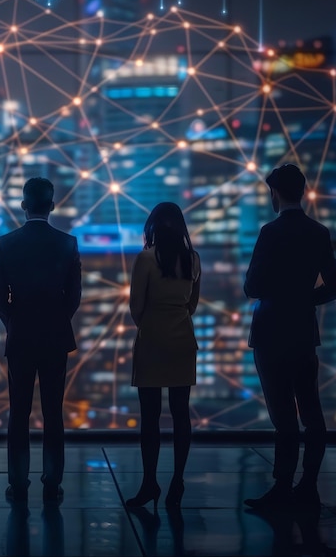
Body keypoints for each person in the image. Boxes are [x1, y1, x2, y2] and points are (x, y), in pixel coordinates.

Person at [243, 163, 336, 511]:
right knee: (311, 412)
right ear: (302, 192)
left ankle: (282, 488)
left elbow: (252, 286)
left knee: (283, 416)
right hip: (303, 332)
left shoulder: (270, 233)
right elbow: (335, 288)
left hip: (271, 332)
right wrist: (303, 299)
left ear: (275, 193)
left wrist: (280, 295)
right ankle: (309, 486)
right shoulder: (319, 232)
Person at [0, 177, 81, 503]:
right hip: (56, 336)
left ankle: (17, 483)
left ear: (23, 205)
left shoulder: (6, 244)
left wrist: (13, 322)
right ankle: (52, 483)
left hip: (21, 336)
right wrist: (57, 320)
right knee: (53, 412)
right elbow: (74, 298)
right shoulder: (68, 244)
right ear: (52, 205)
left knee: (18, 412)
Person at [126, 202, 201, 509]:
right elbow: (192, 306)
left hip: (152, 339)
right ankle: (178, 480)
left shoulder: (145, 258)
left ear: (153, 227)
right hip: (183, 339)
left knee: (150, 417)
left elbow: (135, 307)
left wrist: (150, 323)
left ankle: (149, 483)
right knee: (181, 415)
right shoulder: (193, 259)